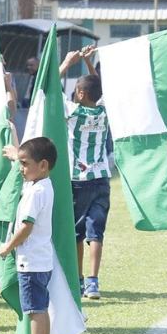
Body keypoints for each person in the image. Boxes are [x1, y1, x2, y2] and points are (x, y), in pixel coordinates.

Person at [0, 136, 58, 334]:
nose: (20, 169)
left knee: (35, 310)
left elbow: (26, 227)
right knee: (39, 308)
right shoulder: (41, 185)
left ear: (42, 165)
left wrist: (8, 246)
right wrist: (17, 155)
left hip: (32, 260)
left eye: (24, 164)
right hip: (40, 259)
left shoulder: (35, 192)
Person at [61, 46, 110, 300]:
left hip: (77, 180)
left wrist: (67, 64)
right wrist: (90, 64)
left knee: (77, 231)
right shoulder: (103, 111)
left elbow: (47, 90)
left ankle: (79, 281)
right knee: (96, 232)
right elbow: (98, 89)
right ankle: (93, 281)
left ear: (80, 93)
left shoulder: (73, 112)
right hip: (101, 177)